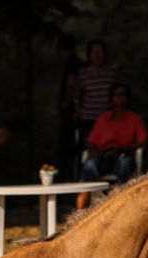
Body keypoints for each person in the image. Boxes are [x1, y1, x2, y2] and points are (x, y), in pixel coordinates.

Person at [74, 83, 148, 209]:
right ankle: (79, 208)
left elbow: (144, 140)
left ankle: (122, 204)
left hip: (123, 155)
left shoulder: (134, 119)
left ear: (127, 98)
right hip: (103, 156)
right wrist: (93, 151)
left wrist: (128, 148)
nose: (118, 97)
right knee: (89, 164)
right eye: (115, 94)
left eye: (122, 94)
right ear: (110, 98)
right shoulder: (102, 119)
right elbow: (91, 141)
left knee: (125, 163)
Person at [74, 39, 120, 154]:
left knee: (110, 148)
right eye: (94, 52)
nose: (97, 55)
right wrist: (77, 111)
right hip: (89, 119)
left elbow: (119, 91)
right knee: (91, 150)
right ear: (89, 54)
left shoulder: (112, 71)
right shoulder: (83, 73)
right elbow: (77, 95)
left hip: (110, 118)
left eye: (100, 51)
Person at [55, 35, 84, 182]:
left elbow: (71, 83)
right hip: (73, 112)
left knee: (66, 150)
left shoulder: (71, 63)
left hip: (71, 114)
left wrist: (67, 101)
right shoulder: (77, 63)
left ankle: (65, 181)